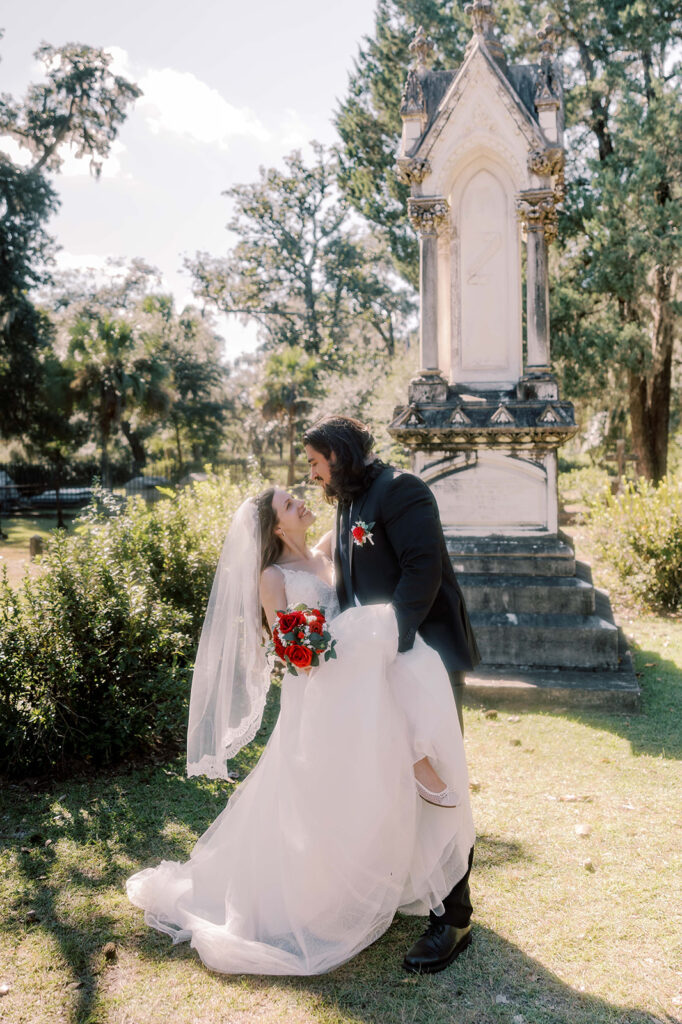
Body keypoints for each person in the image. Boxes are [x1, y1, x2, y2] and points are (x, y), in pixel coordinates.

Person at [126, 481, 475, 976]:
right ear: (276, 526)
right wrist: (336, 640)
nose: (301, 502)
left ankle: (408, 778)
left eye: (295, 495)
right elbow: (294, 651)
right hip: (319, 690)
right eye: (290, 504)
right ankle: (406, 773)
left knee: (369, 758)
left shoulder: (331, 548)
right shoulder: (272, 575)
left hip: (354, 686)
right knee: (324, 791)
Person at [303, 415, 480, 973]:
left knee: (439, 779)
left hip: (425, 655)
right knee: (396, 778)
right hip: (378, 662)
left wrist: (387, 642)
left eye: (314, 462)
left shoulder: (402, 490)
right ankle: (418, 889)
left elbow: (421, 572)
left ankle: (454, 919)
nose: (310, 474)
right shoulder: (349, 500)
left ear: (339, 454)